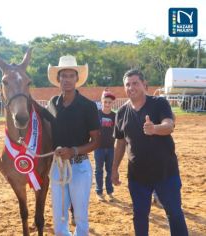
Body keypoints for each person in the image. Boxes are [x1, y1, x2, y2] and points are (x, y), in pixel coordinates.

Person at [111, 69, 188, 236]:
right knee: (139, 216)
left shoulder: (159, 103)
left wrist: (154, 129)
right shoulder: (122, 113)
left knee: (174, 213)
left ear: (144, 85)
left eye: (135, 83)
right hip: (137, 177)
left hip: (166, 173)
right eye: (128, 84)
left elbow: (169, 125)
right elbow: (120, 142)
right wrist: (114, 168)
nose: (131, 87)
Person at [46, 55, 100, 235]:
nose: (67, 79)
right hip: (57, 167)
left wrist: (73, 151)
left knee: (81, 216)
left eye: (71, 76)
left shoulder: (88, 106)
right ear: (58, 79)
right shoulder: (52, 104)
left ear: (77, 79)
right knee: (59, 216)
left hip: (80, 167)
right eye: (63, 76)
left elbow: (96, 141)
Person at [94, 89, 116, 202]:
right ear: (102, 102)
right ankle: (99, 192)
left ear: (112, 104)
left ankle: (110, 191)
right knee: (99, 170)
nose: (107, 104)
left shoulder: (114, 116)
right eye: (105, 102)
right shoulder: (96, 114)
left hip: (111, 148)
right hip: (98, 148)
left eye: (109, 102)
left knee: (110, 170)